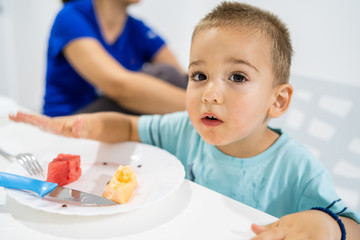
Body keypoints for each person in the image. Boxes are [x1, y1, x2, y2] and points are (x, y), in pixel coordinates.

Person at [10, 2, 360, 239]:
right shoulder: (184, 129)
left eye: (237, 77)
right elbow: (130, 126)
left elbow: (352, 225)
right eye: (199, 76)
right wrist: (85, 126)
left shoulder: (297, 168)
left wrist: (329, 227)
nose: (209, 93)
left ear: (278, 100)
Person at [43, 0, 187, 117]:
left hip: (109, 120)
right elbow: (120, 87)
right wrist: (200, 107)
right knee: (166, 74)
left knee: (176, 77)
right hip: (68, 124)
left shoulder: (136, 28)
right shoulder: (70, 16)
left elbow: (182, 78)